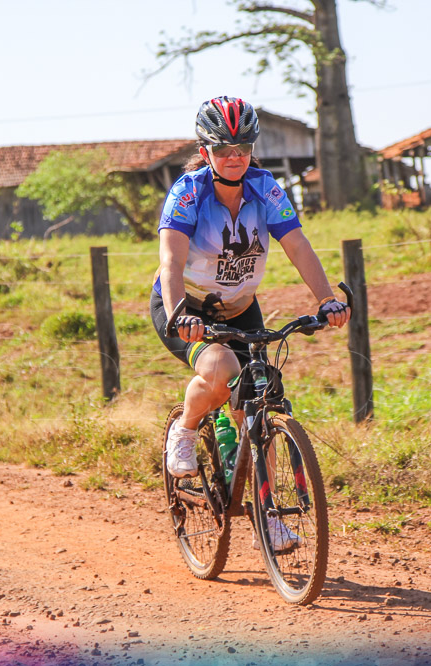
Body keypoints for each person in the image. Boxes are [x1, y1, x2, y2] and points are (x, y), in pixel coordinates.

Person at [150, 96, 349, 549]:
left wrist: (326, 300)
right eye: (223, 150)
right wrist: (181, 313)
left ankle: (268, 517)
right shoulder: (188, 193)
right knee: (220, 372)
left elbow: (297, 244)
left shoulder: (265, 188)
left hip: (241, 307)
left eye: (243, 148)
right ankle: (183, 432)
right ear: (206, 153)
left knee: (257, 405)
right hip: (185, 306)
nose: (235, 158)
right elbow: (171, 261)